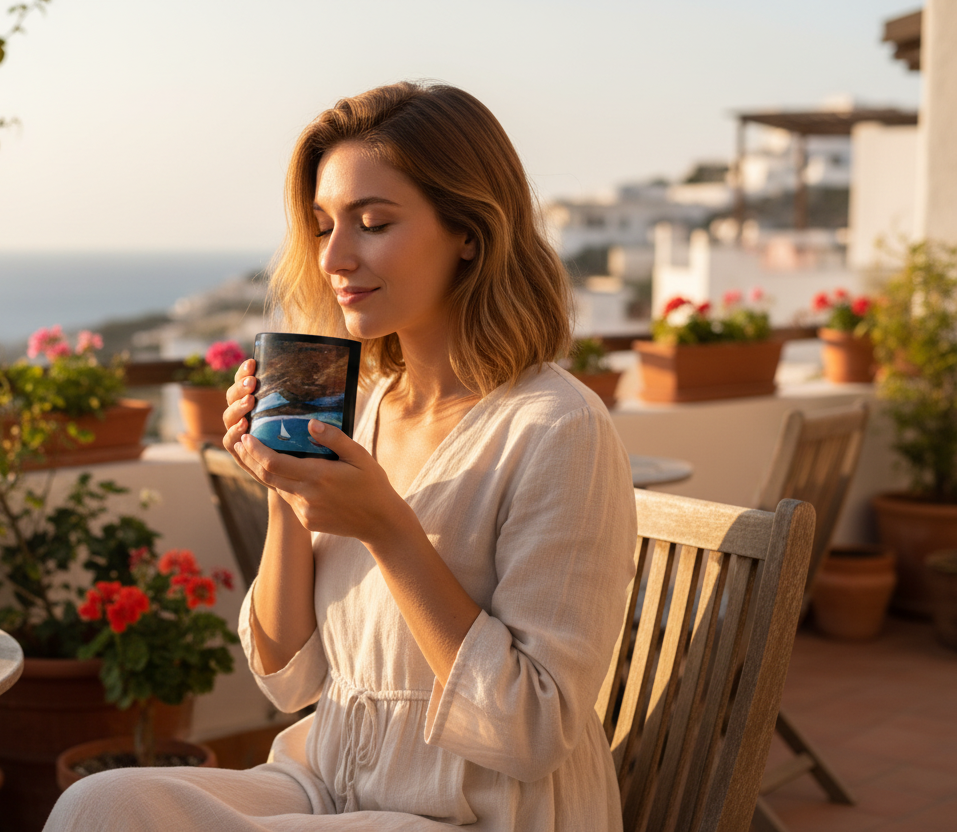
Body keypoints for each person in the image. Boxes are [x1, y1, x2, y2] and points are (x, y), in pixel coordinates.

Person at [44, 81, 636, 832]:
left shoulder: (557, 429)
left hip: (479, 809)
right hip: (335, 784)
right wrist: (285, 486)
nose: (334, 256)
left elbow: (531, 730)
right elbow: (288, 678)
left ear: (469, 232)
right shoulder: (363, 406)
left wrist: (388, 529)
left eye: (374, 223)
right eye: (323, 226)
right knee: (98, 806)